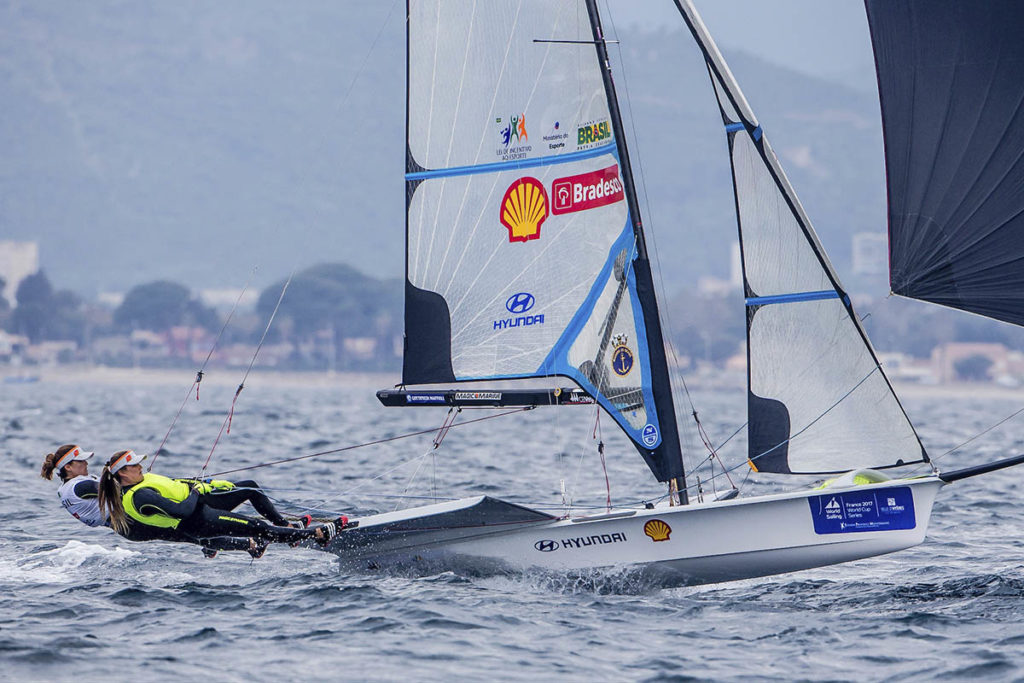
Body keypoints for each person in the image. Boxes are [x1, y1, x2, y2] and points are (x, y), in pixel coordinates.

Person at [97, 450, 341, 558]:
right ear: (124, 474)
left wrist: (207, 485)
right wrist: (194, 492)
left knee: (249, 495)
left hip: (202, 507)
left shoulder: (143, 480)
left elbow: (177, 485)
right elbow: (182, 510)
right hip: (198, 521)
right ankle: (315, 534)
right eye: (135, 465)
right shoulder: (139, 496)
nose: (141, 466)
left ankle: (291, 530)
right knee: (255, 526)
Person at [40, 444, 106, 528]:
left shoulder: (64, 488)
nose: (86, 463)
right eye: (81, 461)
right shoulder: (80, 487)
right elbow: (116, 489)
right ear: (68, 467)